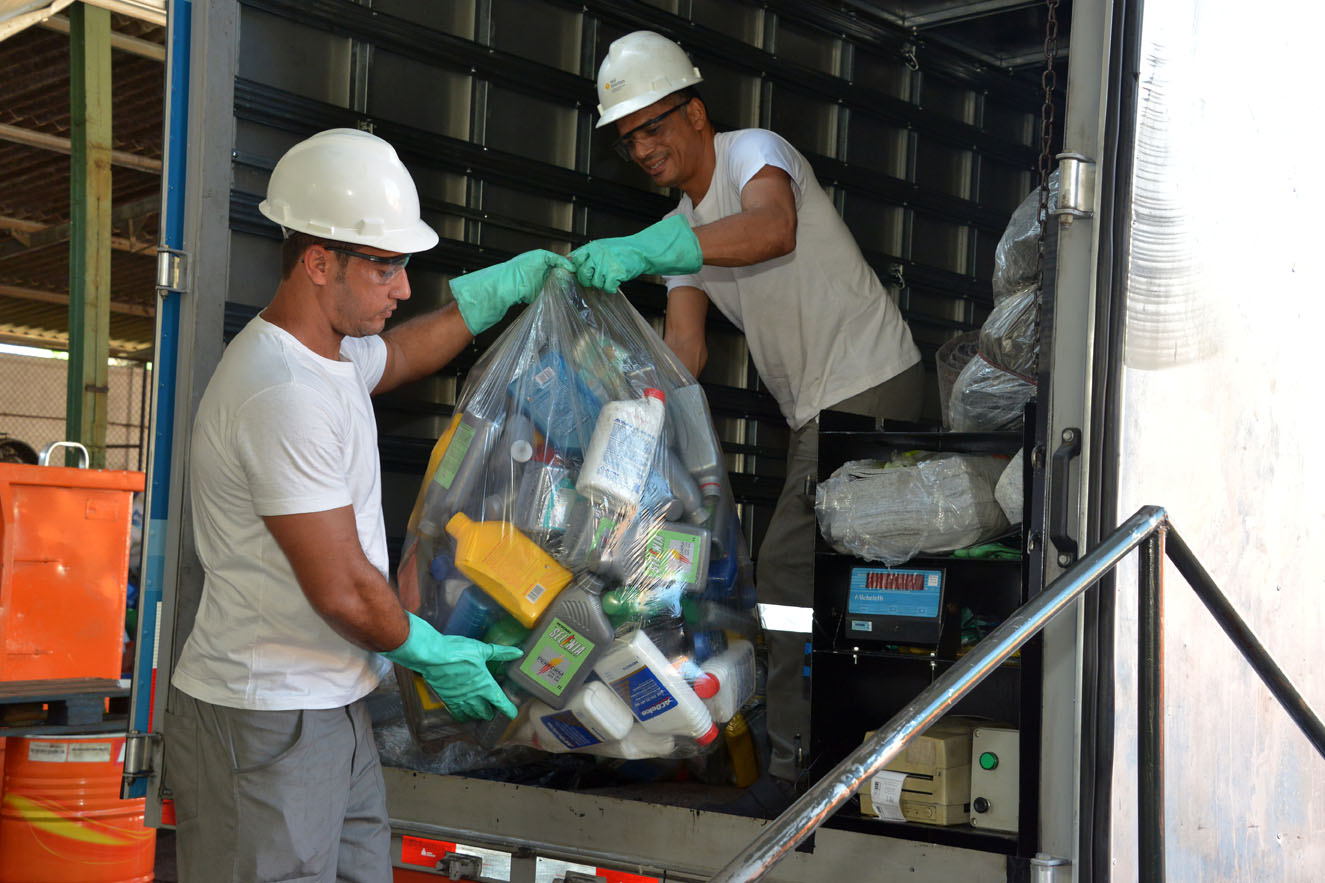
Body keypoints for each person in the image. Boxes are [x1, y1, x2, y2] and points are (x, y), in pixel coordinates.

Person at [164, 128, 570, 881]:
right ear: (319, 262)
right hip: (267, 715)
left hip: (332, 702)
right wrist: (430, 649)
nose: (403, 287)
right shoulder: (280, 392)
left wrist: (490, 295)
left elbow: (404, 352)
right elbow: (344, 589)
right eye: (385, 266)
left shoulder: (331, 357)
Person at [570, 32, 924, 816]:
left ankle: (797, 769)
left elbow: (772, 228)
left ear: (695, 113)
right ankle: (832, 748)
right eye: (627, 138)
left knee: (791, 571)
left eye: (653, 125)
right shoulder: (680, 233)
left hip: (870, 384)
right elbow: (682, 354)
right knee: (822, 582)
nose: (641, 146)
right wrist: (612, 420)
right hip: (818, 408)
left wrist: (648, 247)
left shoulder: (752, 154)